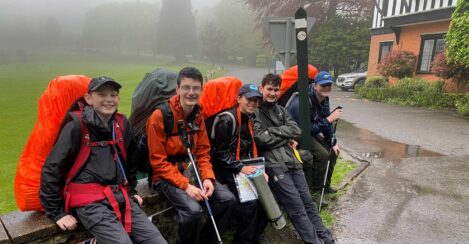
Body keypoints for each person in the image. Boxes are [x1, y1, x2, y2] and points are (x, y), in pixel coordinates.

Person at [40, 76, 166, 244]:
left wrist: (131, 191)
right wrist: (57, 213)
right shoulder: (76, 126)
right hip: (89, 203)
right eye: (102, 94)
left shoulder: (122, 124)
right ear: (88, 98)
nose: (109, 99)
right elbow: (52, 168)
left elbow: (129, 162)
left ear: (118, 99)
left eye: (113, 95)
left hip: (121, 196)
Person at [146, 67, 236, 244]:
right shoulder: (159, 116)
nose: (191, 92)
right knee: (192, 211)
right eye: (186, 87)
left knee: (228, 200)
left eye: (196, 88)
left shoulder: (198, 114)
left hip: (190, 169)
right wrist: (186, 186)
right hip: (164, 175)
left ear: (201, 90)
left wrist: (208, 178)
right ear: (177, 89)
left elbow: (203, 151)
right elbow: (157, 162)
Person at [253, 73, 335, 244]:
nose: (273, 93)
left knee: (308, 202)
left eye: (276, 90)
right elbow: (260, 138)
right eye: (269, 89)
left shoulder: (281, 110)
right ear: (261, 89)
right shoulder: (255, 113)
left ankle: (326, 237)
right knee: (296, 207)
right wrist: (284, 134)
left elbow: (296, 130)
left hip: (292, 160)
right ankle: (314, 241)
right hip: (274, 164)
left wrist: (274, 132)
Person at [210, 83, 268, 244]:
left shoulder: (249, 118)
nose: (253, 103)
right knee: (250, 205)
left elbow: (250, 150)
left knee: (266, 200)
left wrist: (260, 170)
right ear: (238, 99)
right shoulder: (227, 120)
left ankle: (255, 238)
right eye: (249, 99)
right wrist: (241, 168)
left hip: (243, 167)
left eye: (256, 100)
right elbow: (219, 153)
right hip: (226, 170)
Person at [286, 71, 343, 198]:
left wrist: (332, 142)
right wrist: (329, 119)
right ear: (315, 85)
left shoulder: (324, 98)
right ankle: (316, 192)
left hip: (310, 131)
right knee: (322, 155)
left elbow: (325, 122)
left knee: (333, 152)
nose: (326, 88)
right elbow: (306, 131)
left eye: (329, 85)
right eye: (323, 85)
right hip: (296, 135)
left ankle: (325, 186)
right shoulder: (303, 101)